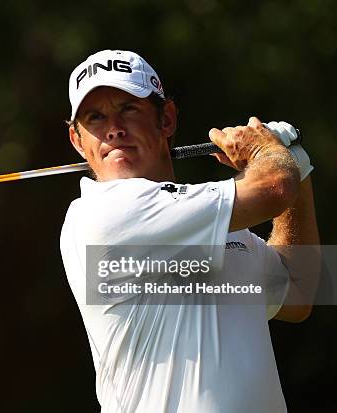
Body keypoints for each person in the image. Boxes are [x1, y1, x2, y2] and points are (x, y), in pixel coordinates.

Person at [60, 50, 319, 412]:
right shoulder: (100, 214)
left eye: (128, 109)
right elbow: (274, 186)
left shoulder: (216, 224)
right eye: (95, 117)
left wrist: (298, 167)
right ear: (78, 141)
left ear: (166, 119)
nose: (113, 129)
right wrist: (266, 151)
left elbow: (297, 293)